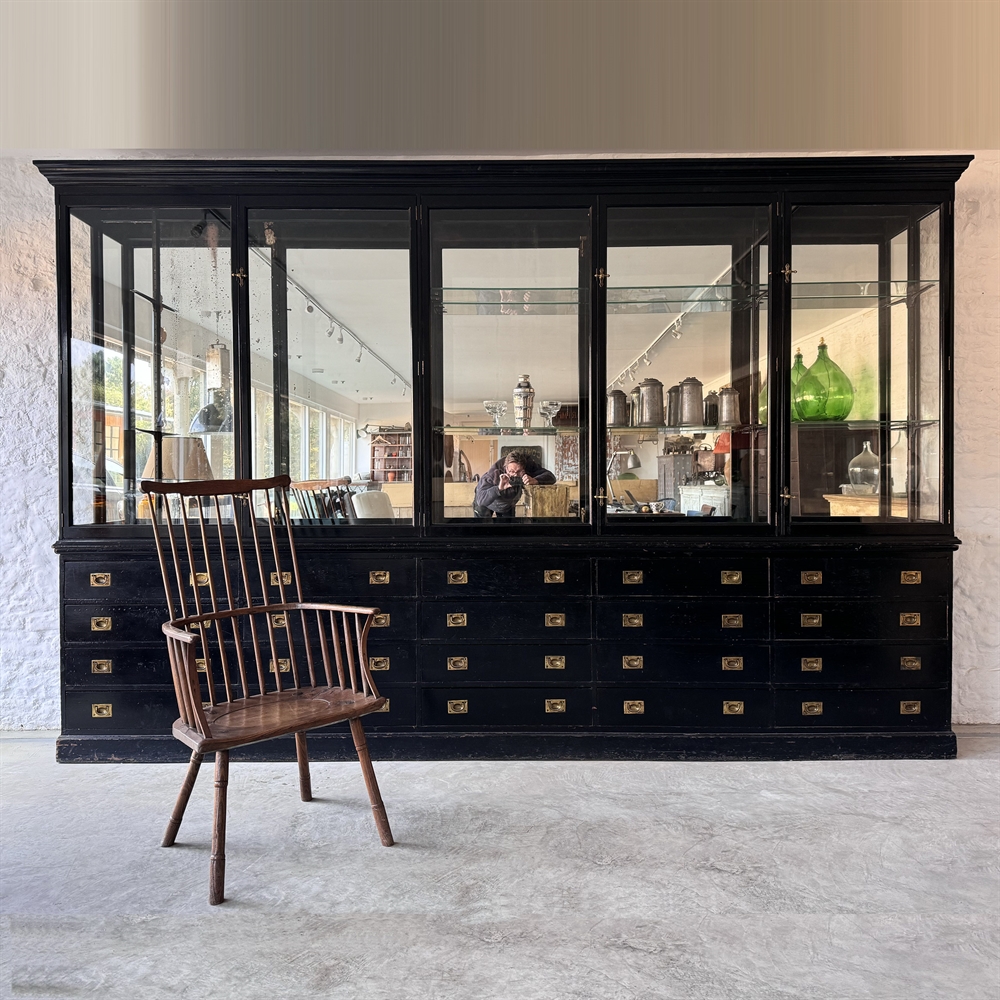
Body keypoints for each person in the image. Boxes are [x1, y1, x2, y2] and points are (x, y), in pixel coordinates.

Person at [473, 450, 556, 519]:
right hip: (486, 502)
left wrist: (535, 480)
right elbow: (481, 500)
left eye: (519, 471)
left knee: (509, 533)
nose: (515, 475)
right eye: (511, 471)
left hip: (508, 504)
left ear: (524, 468)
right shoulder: (494, 473)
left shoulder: (529, 465)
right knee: (482, 531)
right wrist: (499, 488)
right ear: (505, 468)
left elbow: (551, 477)